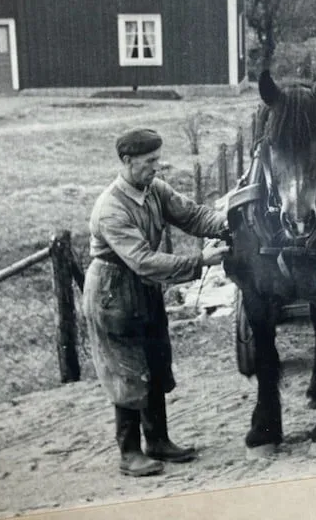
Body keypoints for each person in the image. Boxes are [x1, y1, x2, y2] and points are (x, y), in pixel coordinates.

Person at [83, 127, 231, 477]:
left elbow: (192, 216)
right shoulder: (111, 209)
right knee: (127, 368)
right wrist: (199, 261)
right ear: (127, 161)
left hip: (145, 287)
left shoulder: (154, 189)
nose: (156, 167)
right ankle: (129, 453)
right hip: (113, 291)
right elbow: (143, 260)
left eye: (158, 160)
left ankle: (159, 441)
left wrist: (229, 224)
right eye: (149, 161)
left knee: (156, 359)